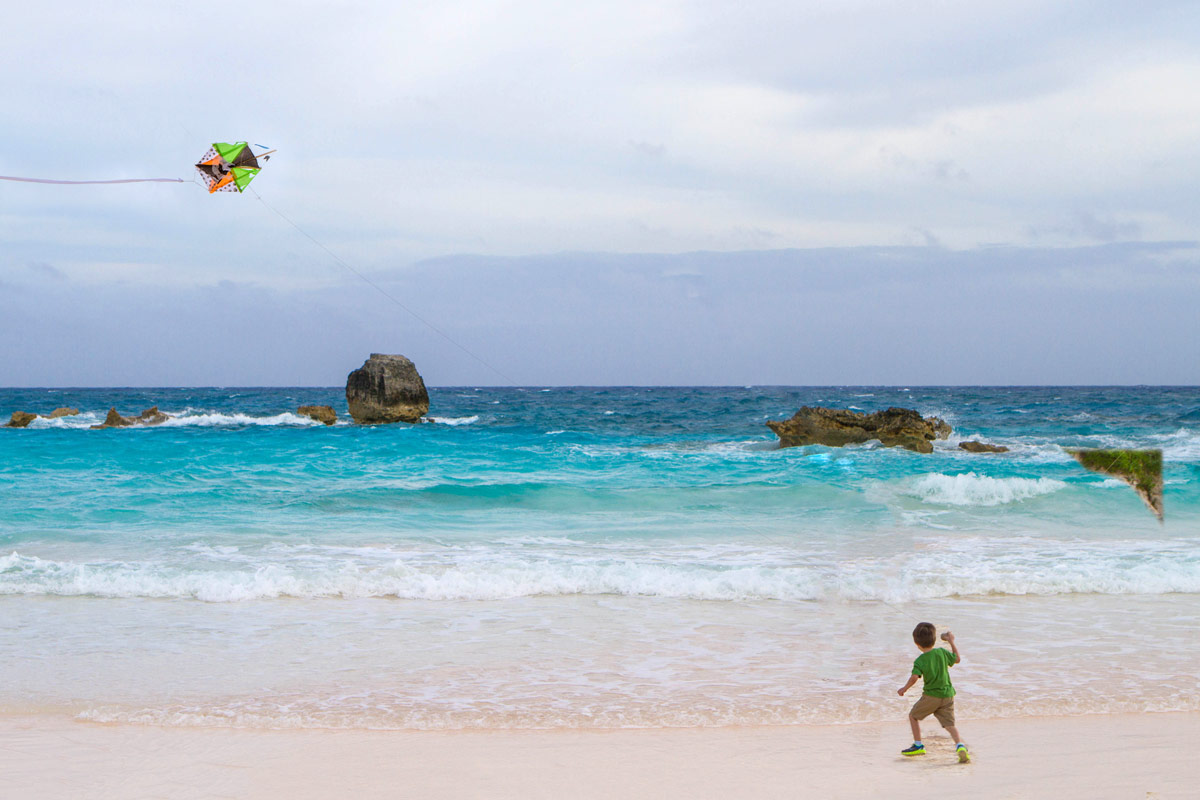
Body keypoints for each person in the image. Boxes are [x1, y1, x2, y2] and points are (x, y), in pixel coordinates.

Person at [897, 622, 969, 763]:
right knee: (950, 725)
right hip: (948, 695)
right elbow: (957, 659)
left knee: (913, 716)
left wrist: (904, 688)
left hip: (932, 696)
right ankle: (960, 745)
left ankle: (918, 745)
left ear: (916, 643)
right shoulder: (941, 652)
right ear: (934, 639)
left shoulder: (920, 660)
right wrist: (951, 641)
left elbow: (914, 677)